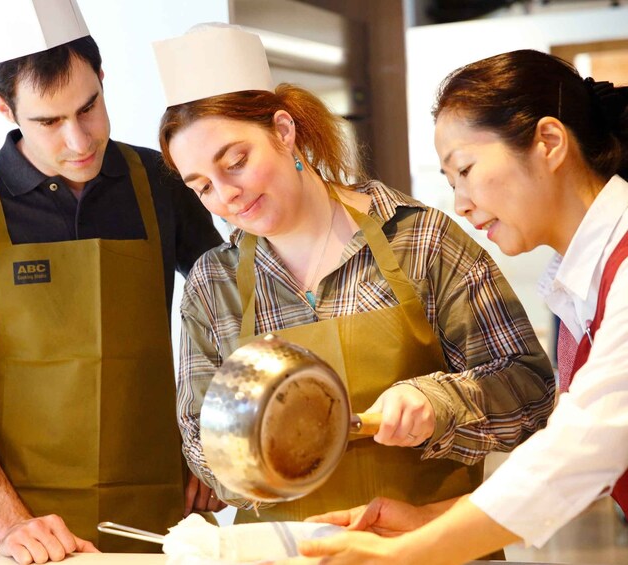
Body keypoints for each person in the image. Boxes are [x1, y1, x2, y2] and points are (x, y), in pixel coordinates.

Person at [153, 25, 555, 531]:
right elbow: (199, 439)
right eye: (202, 186)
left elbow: (530, 387)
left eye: (236, 163)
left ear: (283, 131)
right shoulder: (214, 286)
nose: (225, 196)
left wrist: (438, 404)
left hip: (427, 547)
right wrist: (259, 458)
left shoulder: (423, 241)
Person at [279, 49, 628, 565]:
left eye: (465, 170)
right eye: (450, 182)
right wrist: (427, 521)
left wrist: (407, 554)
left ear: (549, 142)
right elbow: (583, 469)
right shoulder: (584, 277)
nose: (460, 203)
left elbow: (579, 455)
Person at [0, 0, 223, 562]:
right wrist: (12, 526)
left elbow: (236, 307)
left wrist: (214, 446)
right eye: (50, 122)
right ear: (2, 107)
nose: (80, 141)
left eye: (90, 108)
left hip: (168, 518)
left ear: (103, 80)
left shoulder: (162, 180)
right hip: (30, 529)